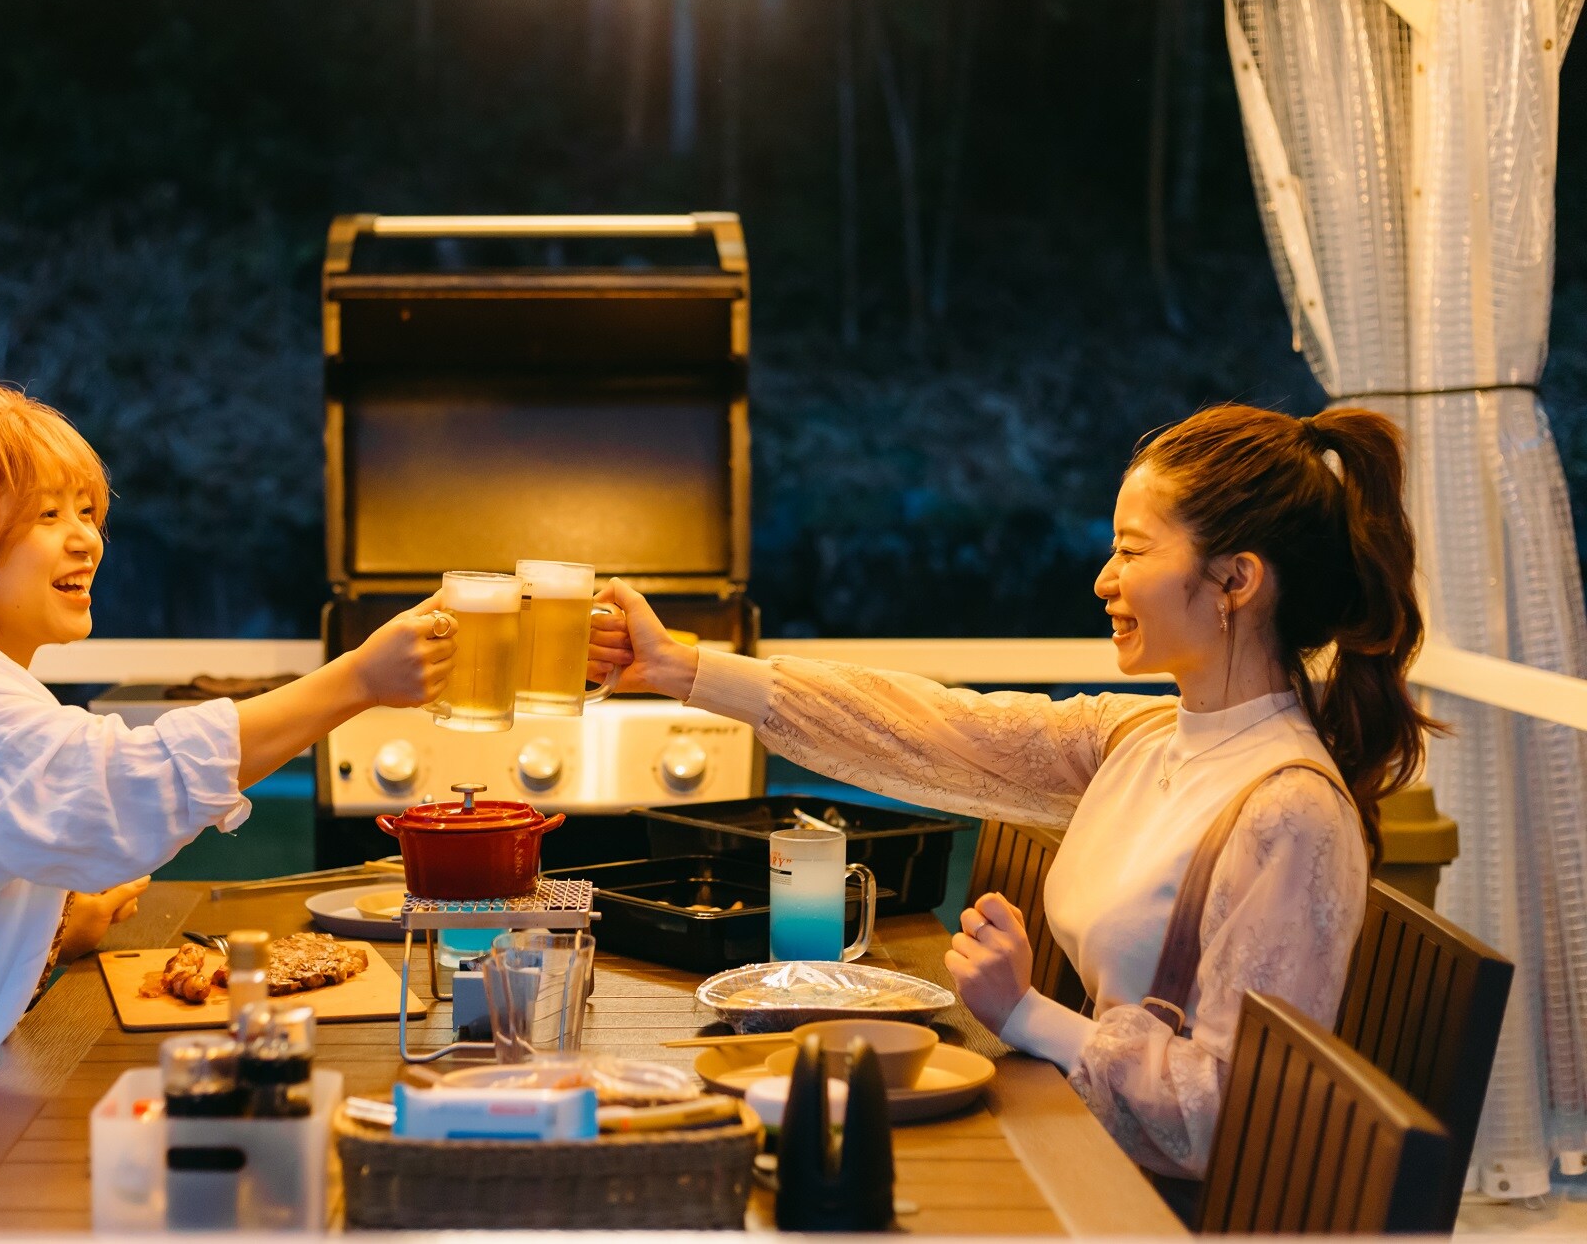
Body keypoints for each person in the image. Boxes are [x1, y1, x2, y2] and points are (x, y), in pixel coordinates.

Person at [589, 404, 1435, 1184]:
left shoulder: (1289, 810)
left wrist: (1025, 1011)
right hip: (1068, 1136)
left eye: (1133, 551)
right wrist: (680, 669)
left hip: (1134, 1202)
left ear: (1236, 580)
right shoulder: (1138, 738)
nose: (1105, 578)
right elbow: (923, 724)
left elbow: (1229, 1113)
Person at [0, 379, 456, 1233]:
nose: (88, 541)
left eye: (88, 512)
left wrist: (57, 929)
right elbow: (117, 786)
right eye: (48, 516)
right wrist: (357, 679)